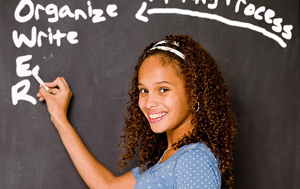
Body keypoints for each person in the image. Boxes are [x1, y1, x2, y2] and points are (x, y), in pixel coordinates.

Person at [37, 34, 237, 189]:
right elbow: (107, 186)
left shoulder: (193, 159)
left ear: (195, 93)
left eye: (163, 89)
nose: (149, 102)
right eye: (144, 90)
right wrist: (59, 117)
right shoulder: (165, 160)